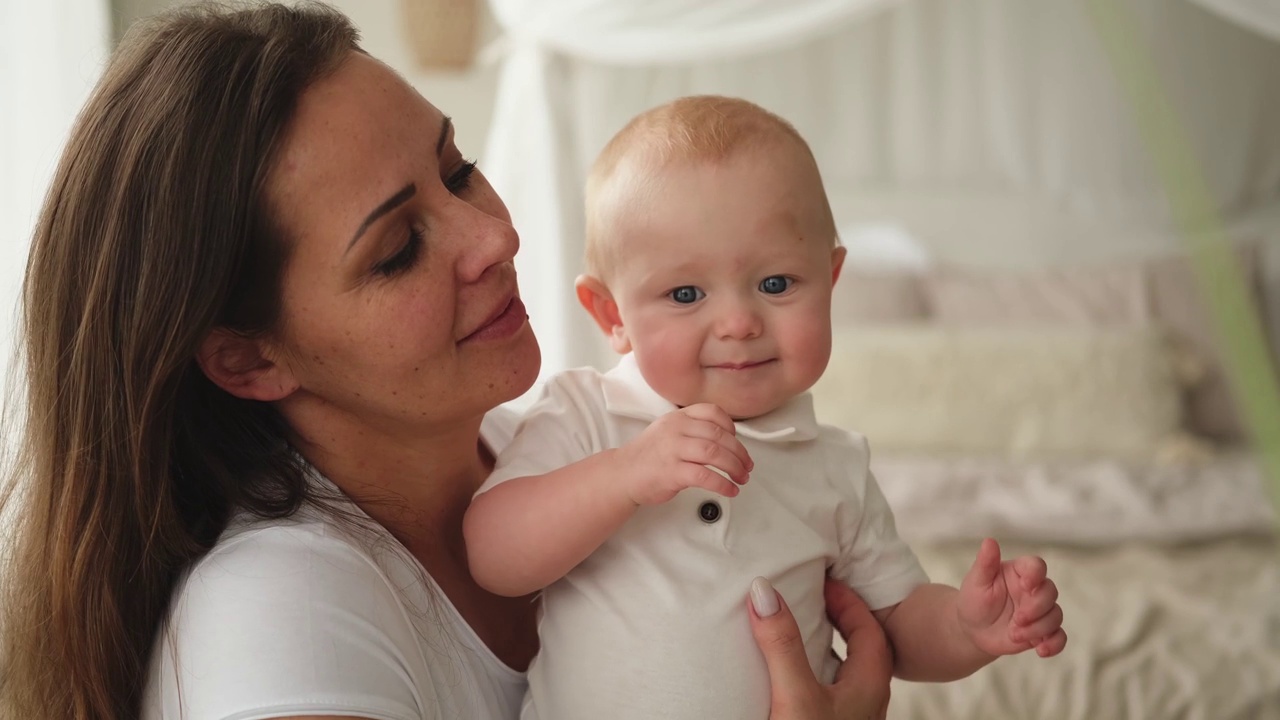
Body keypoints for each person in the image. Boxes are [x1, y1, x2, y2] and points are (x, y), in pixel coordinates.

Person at [0, 4, 899, 720]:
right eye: (397, 249)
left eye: (459, 168)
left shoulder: (549, 448)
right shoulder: (282, 623)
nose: (496, 236)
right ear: (246, 360)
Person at [464, 96, 1069, 720]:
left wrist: (967, 629)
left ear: (830, 281)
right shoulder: (586, 415)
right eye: (686, 293)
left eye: (776, 284)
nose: (738, 322)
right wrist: (625, 474)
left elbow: (894, 623)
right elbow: (492, 554)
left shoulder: (834, 466)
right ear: (613, 316)